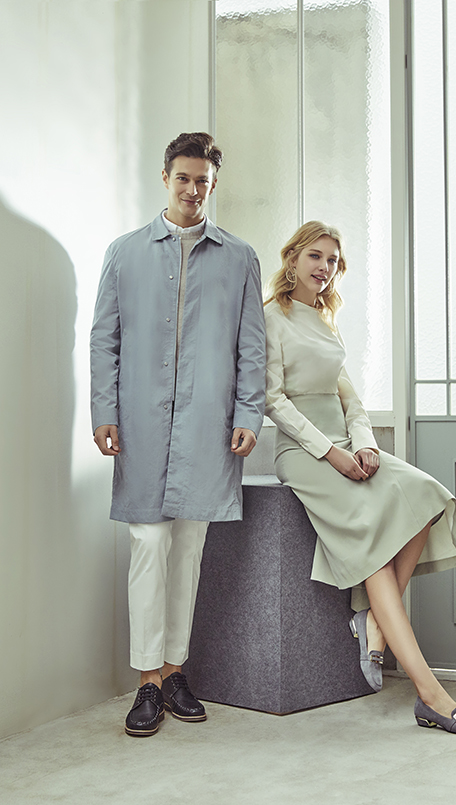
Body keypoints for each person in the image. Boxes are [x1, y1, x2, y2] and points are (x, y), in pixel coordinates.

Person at [264, 221, 456, 735]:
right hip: (303, 452)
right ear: (293, 257)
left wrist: (363, 444)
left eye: (333, 260)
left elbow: (350, 398)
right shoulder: (271, 317)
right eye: (315, 256)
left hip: (346, 443)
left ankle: (370, 619)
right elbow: (272, 401)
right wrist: (331, 454)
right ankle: (431, 696)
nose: (324, 268)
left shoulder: (327, 320)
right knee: (373, 548)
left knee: (426, 497)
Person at [90, 132, 266, 737]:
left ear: (214, 185)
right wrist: (104, 410)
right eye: (184, 178)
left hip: (207, 425)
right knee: (148, 543)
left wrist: (248, 414)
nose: (193, 190)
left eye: (203, 182)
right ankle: (146, 681)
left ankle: (173, 672)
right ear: (165, 177)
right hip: (140, 422)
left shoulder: (239, 257)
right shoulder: (124, 253)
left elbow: (251, 346)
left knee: (188, 550)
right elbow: (104, 339)